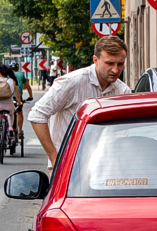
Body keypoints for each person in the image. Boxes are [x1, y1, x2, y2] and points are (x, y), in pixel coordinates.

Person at [30, 35, 130, 168]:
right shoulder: (72, 82)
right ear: (95, 60)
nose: (115, 70)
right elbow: (37, 114)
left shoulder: (123, 91)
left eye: (120, 64)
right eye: (109, 63)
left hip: (106, 166)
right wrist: (55, 158)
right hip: (69, 167)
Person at [0, 63, 21, 156]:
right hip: (9, 104)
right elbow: (17, 94)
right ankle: (10, 127)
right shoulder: (12, 81)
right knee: (11, 114)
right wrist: (19, 102)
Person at [11, 62, 33, 141]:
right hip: (18, 97)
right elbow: (28, 87)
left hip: (7, 97)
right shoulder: (21, 75)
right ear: (17, 69)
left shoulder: (7, 75)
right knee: (19, 112)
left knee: (7, 112)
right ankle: (19, 132)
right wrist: (30, 96)